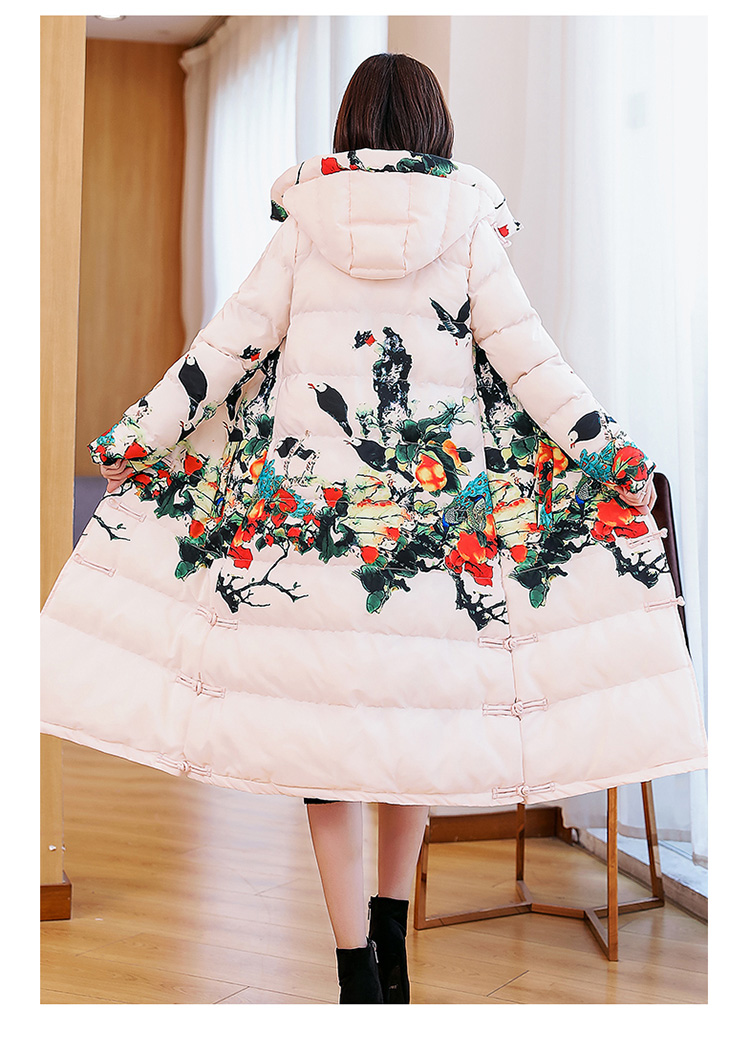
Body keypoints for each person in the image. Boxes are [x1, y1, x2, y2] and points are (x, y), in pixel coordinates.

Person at [42, 52, 708, 1005]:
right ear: (435, 128)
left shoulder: (304, 227)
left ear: (349, 125)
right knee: (410, 737)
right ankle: (394, 943)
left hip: (311, 540)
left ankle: (356, 969)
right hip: (431, 548)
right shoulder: (468, 226)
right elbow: (537, 369)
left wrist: (131, 439)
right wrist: (619, 462)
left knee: (324, 759)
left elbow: (218, 352)